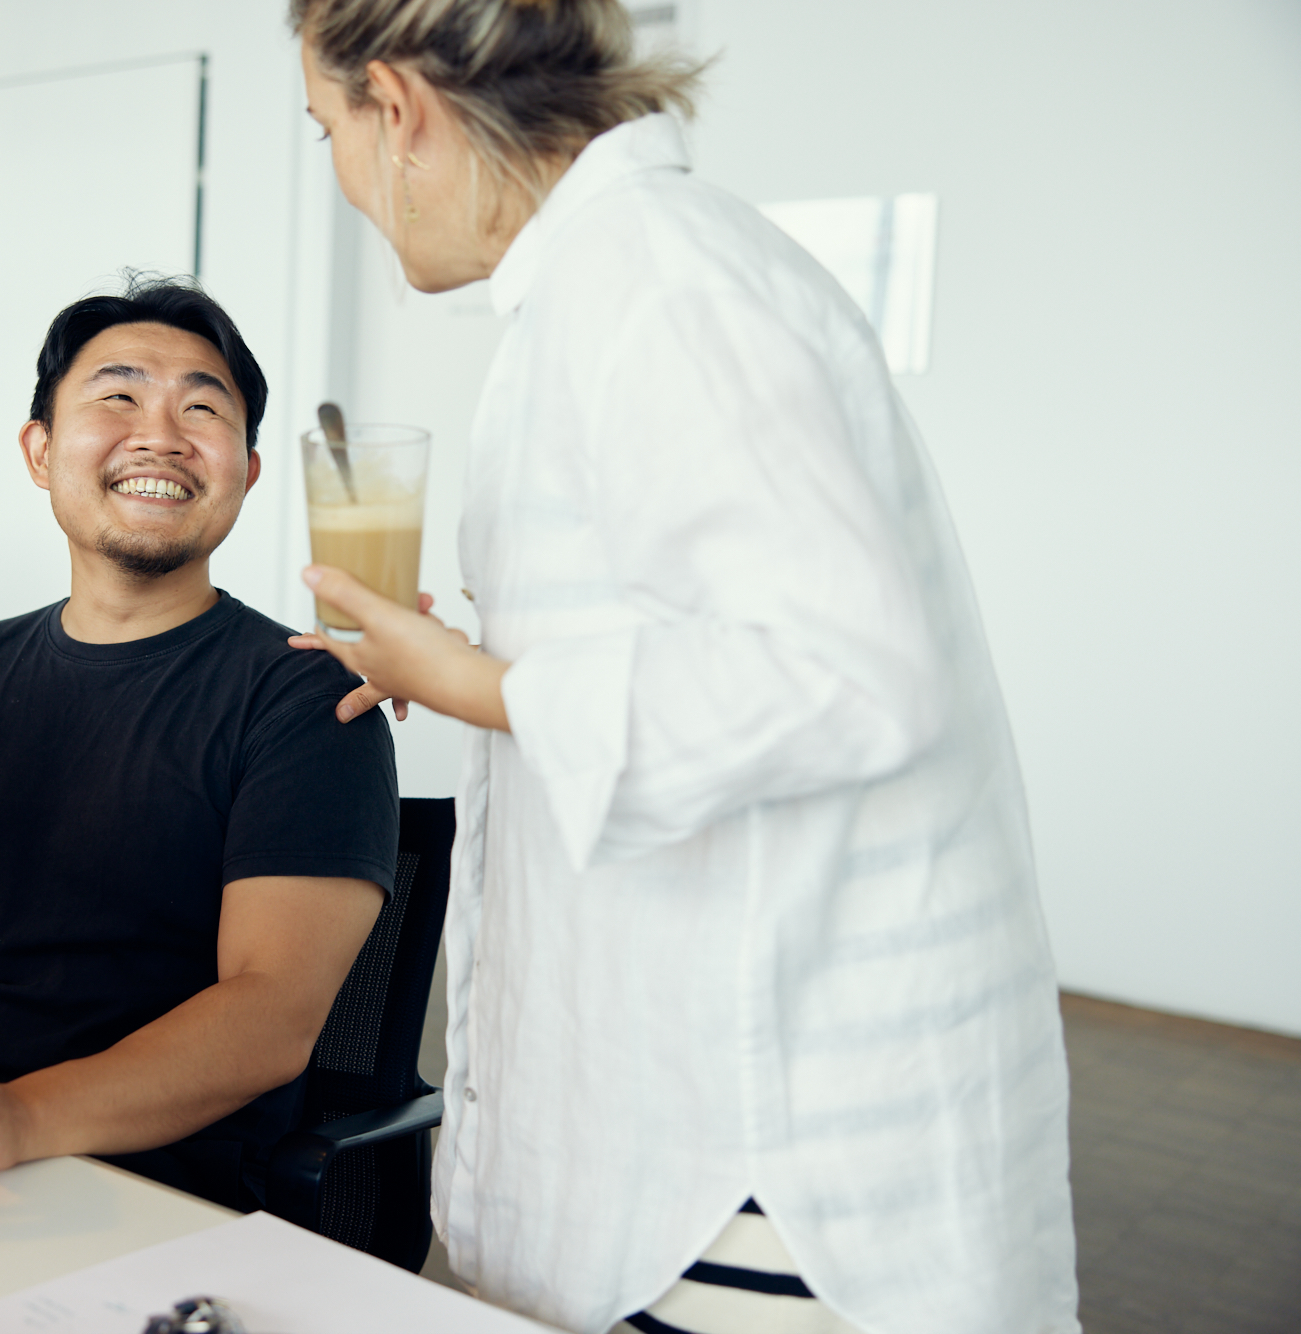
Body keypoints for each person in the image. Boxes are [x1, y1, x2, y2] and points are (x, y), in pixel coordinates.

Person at [285, 2, 1079, 1332]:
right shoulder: (617, 277)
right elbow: (704, 635)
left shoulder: (652, 279)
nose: (342, 174)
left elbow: (841, 669)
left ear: (399, 108)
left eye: (328, 130)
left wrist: (487, 684)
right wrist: (480, 660)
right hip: (704, 1113)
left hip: (765, 1160)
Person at [0, 275, 399, 1212]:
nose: (161, 435)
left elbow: (269, 1017)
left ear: (248, 472)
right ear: (40, 450)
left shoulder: (305, 698)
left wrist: (16, 1116)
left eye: (203, 408)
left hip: (156, 1195)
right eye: (118, 396)